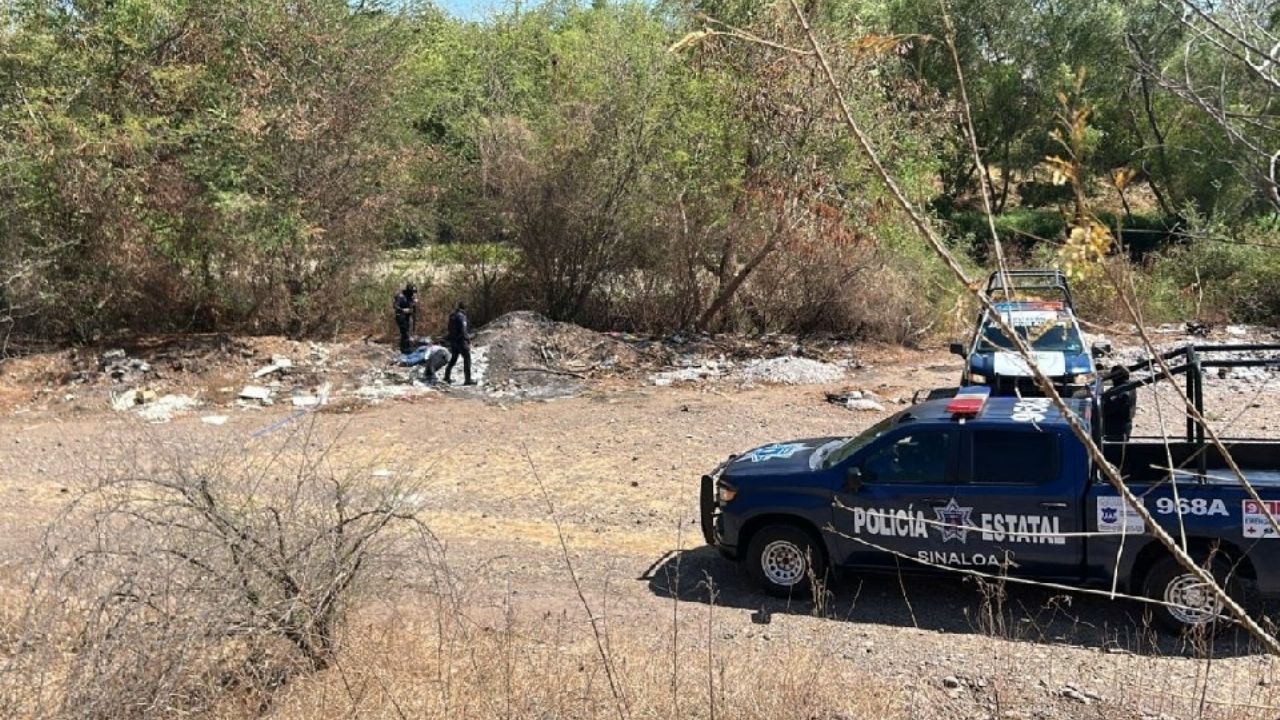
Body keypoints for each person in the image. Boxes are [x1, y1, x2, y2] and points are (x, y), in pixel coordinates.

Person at [444, 301, 474, 385]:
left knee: (454, 358)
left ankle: (446, 376)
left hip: (453, 341)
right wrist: (468, 339)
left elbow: (449, 329)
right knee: (467, 358)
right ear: (465, 308)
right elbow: (463, 330)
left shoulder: (452, 315)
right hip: (461, 341)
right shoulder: (462, 316)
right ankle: (468, 380)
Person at [393, 283, 418, 354]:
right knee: (405, 333)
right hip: (400, 316)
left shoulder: (411, 297)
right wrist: (403, 310)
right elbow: (395, 306)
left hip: (408, 317)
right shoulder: (400, 296)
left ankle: (405, 348)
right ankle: (404, 349)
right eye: (412, 292)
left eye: (414, 292)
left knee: (407, 333)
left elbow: (413, 310)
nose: (413, 294)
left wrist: (414, 303)